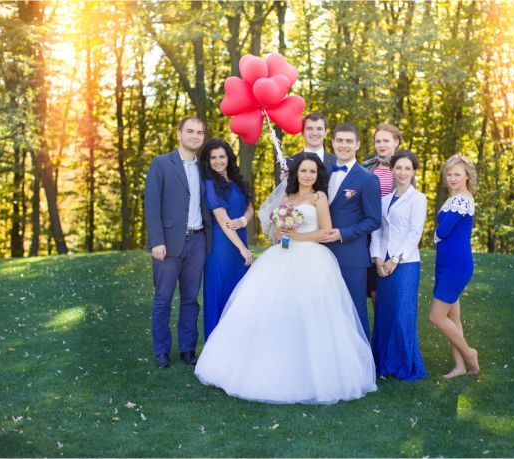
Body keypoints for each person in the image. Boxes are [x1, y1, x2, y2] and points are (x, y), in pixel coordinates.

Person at [194, 154, 376, 404]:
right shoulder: (285, 198)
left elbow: (325, 230)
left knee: (309, 312)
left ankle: (311, 372)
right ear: (296, 173)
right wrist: (281, 227)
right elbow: (277, 234)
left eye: (313, 171)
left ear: (317, 175)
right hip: (281, 255)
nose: (308, 175)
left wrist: (297, 236)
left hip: (312, 259)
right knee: (271, 310)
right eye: (304, 171)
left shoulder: (318, 197)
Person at [144, 117, 212, 369]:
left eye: (200, 132)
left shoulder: (204, 168)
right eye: (190, 131)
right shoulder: (161, 164)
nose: (195, 136)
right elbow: (151, 205)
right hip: (169, 243)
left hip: (197, 242)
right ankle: (162, 351)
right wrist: (157, 241)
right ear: (179, 134)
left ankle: (187, 349)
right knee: (163, 299)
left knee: (190, 299)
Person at [319, 123, 381, 340]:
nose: (343, 145)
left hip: (352, 256)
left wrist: (342, 233)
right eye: (339, 140)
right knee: (326, 311)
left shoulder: (368, 178)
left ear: (357, 144)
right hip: (320, 254)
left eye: (348, 141)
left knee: (354, 312)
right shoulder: (322, 174)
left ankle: (363, 370)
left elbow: (373, 220)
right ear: (333, 142)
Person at [369, 150, 427, 381]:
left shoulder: (418, 198)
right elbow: (378, 231)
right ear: (391, 169)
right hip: (383, 263)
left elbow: (415, 233)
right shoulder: (383, 200)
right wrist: (377, 260)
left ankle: (405, 364)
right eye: (398, 168)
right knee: (384, 314)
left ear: (413, 172)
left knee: (402, 314)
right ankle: (383, 362)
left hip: (405, 264)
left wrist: (395, 260)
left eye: (407, 168)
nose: (402, 172)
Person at [429, 153, 480, 378]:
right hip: (447, 262)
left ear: (467, 176)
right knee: (453, 317)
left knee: (436, 317)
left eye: (457, 174)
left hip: (456, 265)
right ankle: (461, 367)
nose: (452, 178)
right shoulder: (456, 197)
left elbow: (443, 230)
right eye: (449, 174)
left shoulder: (462, 199)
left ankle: (470, 354)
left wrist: (436, 233)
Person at [200, 138, 254, 340]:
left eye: (221, 156)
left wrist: (242, 220)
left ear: (228, 157)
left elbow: (250, 207)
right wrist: (242, 249)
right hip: (222, 245)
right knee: (222, 290)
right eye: (213, 157)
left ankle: (238, 341)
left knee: (239, 292)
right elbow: (222, 220)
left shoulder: (237, 179)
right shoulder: (210, 184)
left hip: (239, 237)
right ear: (208, 160)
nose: (217, 161)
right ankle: (217, 344)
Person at [362, 123, 403, 308]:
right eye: (378, 141)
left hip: (391, 232)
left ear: (396, 142)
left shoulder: (404, 168)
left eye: (386, 140)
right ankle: (379, 330)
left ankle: (388, 330)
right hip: (369, 231)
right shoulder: (367, 167)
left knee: (388, 284)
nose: (381, 144)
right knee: (372, 285)